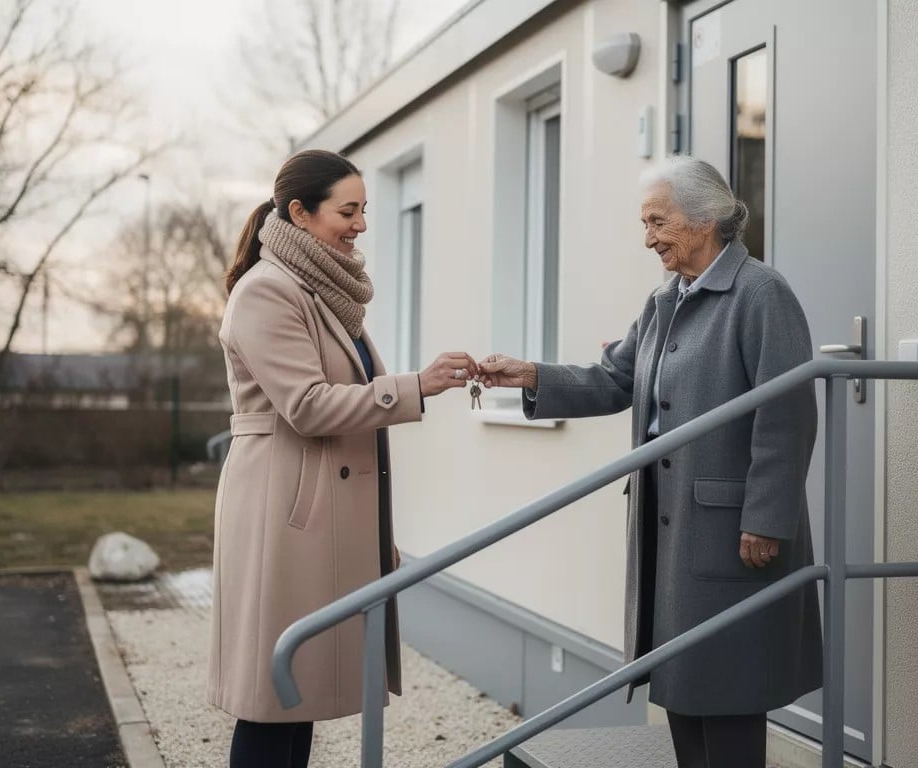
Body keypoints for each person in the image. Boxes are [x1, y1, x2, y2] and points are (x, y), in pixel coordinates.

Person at [478, 155, 822, 768]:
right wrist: (531, 373)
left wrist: (768, 518)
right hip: (671, 520)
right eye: (645, 224)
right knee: (682, 682)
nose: (649, 238)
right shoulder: (666, 299)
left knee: (730, 686)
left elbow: (787, 416)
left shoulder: (760, 293)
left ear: (707, 217)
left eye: (658, 222)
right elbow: (615, 379)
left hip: (731, 526)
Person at [207, 149, 478, 768]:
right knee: (274, 692)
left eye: (364, 211)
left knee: (293, 692)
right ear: (300, 214)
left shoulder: (321, 288)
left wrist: (372, 533)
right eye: (347, 211)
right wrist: (415, 386)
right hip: (285, 514)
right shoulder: (267, 292)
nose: (360, 225)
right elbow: (305, 405)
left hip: (318, 512)